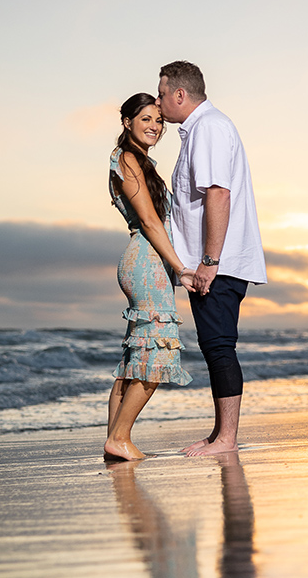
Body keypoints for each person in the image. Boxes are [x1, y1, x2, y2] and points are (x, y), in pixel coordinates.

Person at [157, 62, 267, 457]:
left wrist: (208, 259)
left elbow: (219, 193)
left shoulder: (209, 128)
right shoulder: (202, 130)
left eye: (162, 93)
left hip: (218, 262)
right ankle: (221, 432)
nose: (159, 101)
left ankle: (227, 439)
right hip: (214, 261)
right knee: (213, 345)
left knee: (219, 346)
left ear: (180, 95)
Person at [105, 93, 196, 462]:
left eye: (158, 121)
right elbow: (148, 221)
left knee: (134, 358)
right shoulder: (127, 159)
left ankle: (115, 440)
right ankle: (121, 438)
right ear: (127, 121)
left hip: (146, 260)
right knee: (158, 352)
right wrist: (180, 267)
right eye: (145, 119)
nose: (154, 126)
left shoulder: (140, 161)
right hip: (147, 260)